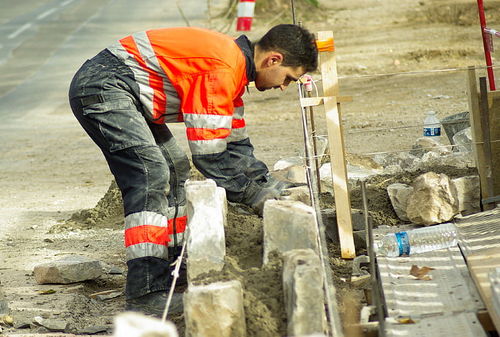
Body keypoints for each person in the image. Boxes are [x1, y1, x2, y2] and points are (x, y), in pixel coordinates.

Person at [68, 24, 318, 316]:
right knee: (151, 174)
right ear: (273, 60)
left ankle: (173, 267)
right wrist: (254, 196)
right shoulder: (222, 68)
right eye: (289, 78)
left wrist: (270, 186)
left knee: (175, 168)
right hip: (103, 86)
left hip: (123, 90)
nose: (283, 86)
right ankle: (145, 292)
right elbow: (210, 157)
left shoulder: (233, 71)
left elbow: (236, 146)